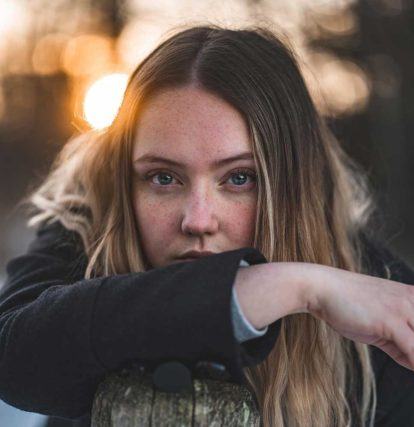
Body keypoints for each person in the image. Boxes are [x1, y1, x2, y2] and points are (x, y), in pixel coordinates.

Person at [0, 24, 413, 427]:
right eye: (164, 178)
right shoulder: (90, 231)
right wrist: (295, 287)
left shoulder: (376, 308)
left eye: (239, 178)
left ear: (292, 185)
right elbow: (15, 358)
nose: (197, 221)